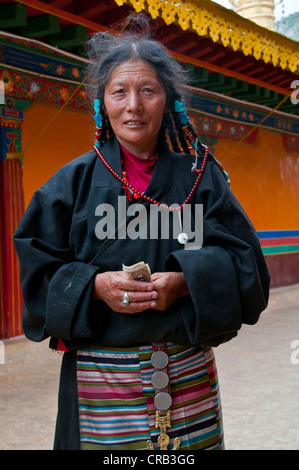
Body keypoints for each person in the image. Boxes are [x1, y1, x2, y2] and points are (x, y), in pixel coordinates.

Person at [13, 18, 270, 451]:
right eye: (119, 92)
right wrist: (95, 287)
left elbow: (249, 267)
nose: (133, 106)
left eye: (147, 91)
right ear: (103, 104)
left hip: (188, 382)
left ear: (167, 102)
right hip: (100, 389)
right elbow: (38, 275)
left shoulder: (201, 177)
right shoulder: (69, 185)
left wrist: (186, 282)